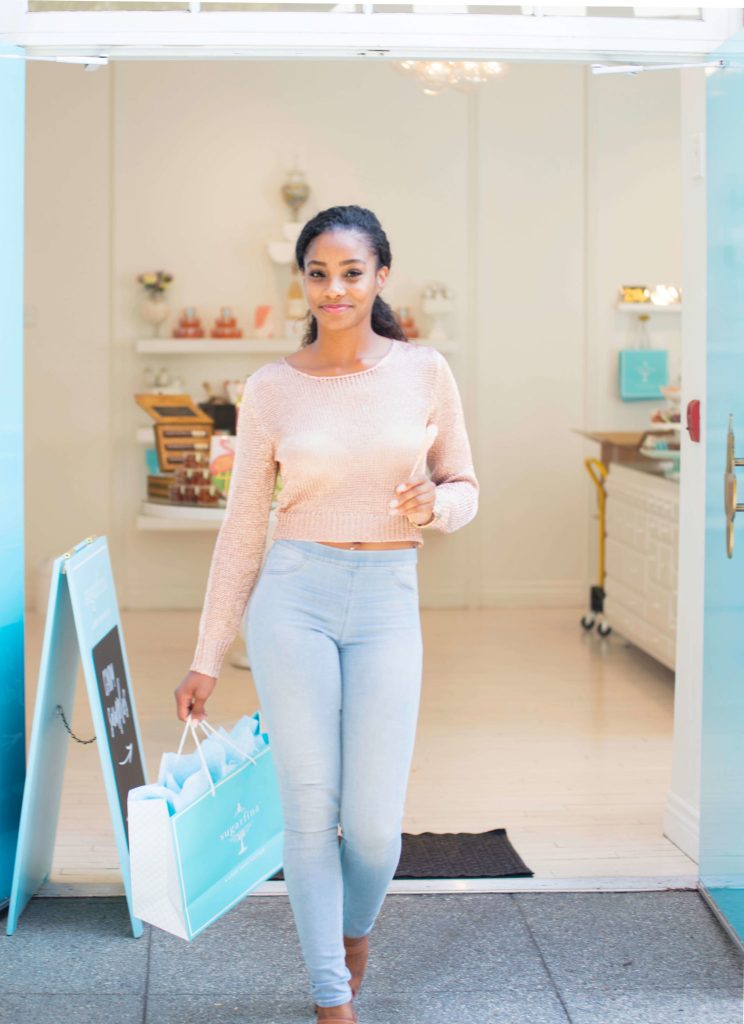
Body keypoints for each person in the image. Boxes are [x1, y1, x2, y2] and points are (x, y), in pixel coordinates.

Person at [175, 204, 479, 1023]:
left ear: (383, 275)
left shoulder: (424, 371)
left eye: (352, 272)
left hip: (388, 598)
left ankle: (354, 928)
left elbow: (465, 486)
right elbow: (245, 527)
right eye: (319, 273)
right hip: (294, 597)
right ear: (302, 282)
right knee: (310, 810)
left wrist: (436, 507)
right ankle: (330, 999)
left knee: (375, 829)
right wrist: (208, 653)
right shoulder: (271, 387)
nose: (334, 288)